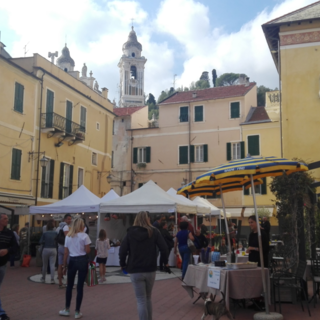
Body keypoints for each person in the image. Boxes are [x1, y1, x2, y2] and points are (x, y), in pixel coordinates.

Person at [119, 211, 169, 320]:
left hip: (135, 269)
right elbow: (164, 248)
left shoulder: (130, 233)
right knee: (147, 298)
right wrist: (165, 262)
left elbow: (122, 250)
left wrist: (123, 264)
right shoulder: (154, 232)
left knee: (141, 299)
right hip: (150, 268)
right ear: (148, 219)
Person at [59, 217, 91, 319]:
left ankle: (67, 309)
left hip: (72, 260)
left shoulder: (68, 236)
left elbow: (66, 253)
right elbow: (88, 251)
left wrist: (64, 265)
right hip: (82, 260)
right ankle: (77, 311)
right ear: (81, 226)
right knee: (80, 286)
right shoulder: (85, 236)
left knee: (69, 285)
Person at [0, 213, 18, 320]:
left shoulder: (9, 233)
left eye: (7, 219)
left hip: (2, 265)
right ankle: (2, 313)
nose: (7, 220)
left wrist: (7, 250)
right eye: (5, 219)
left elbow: (15, 247)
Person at [57, 214, 72, 288]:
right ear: (65, 219)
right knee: (69, 265)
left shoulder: (58, 227)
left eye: (70, 219)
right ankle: (68, 283)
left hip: (59, 247)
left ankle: (60, 282)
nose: (70, 220)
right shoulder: (65, 226)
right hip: (65, 247)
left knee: (60, 265)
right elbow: (67, 237)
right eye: (69, 219)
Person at [39, 220, 57, 284]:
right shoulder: (55, 233)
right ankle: (52, 279)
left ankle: (43, 278)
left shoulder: (45, 233)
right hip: (53, 249)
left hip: (46, 249)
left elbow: (40, 241)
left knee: (44, 265)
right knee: (52, 265)